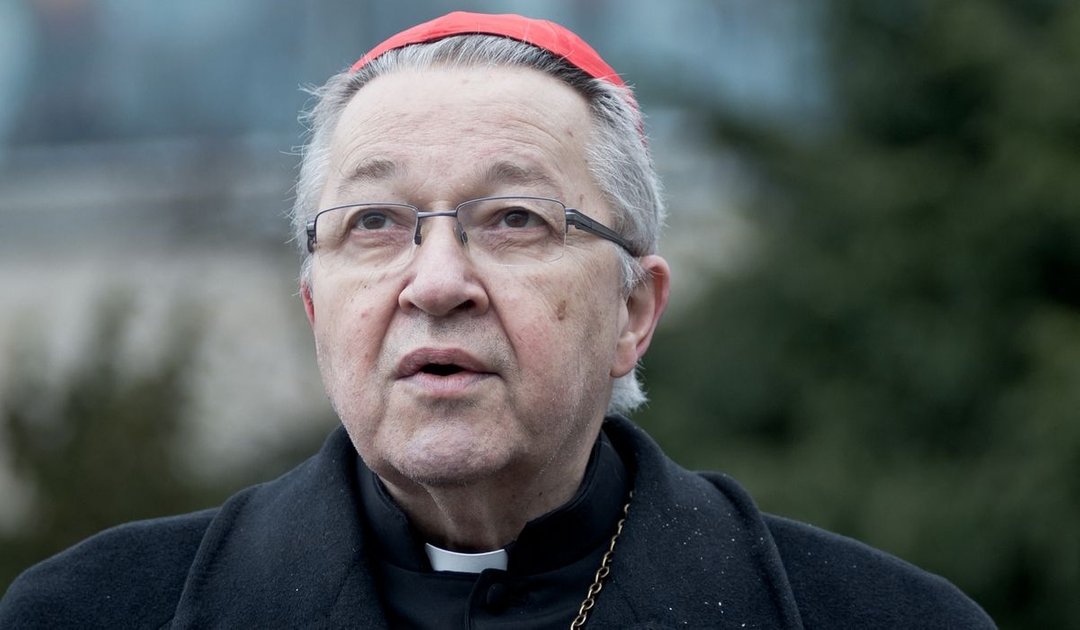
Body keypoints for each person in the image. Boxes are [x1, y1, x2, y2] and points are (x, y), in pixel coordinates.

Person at [0, 11, 994, 629]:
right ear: (316, 306)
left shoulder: (888, 617)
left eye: (514, 219)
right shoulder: (84, 612)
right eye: (376, 222)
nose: (436, 282)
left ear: (633, 313)